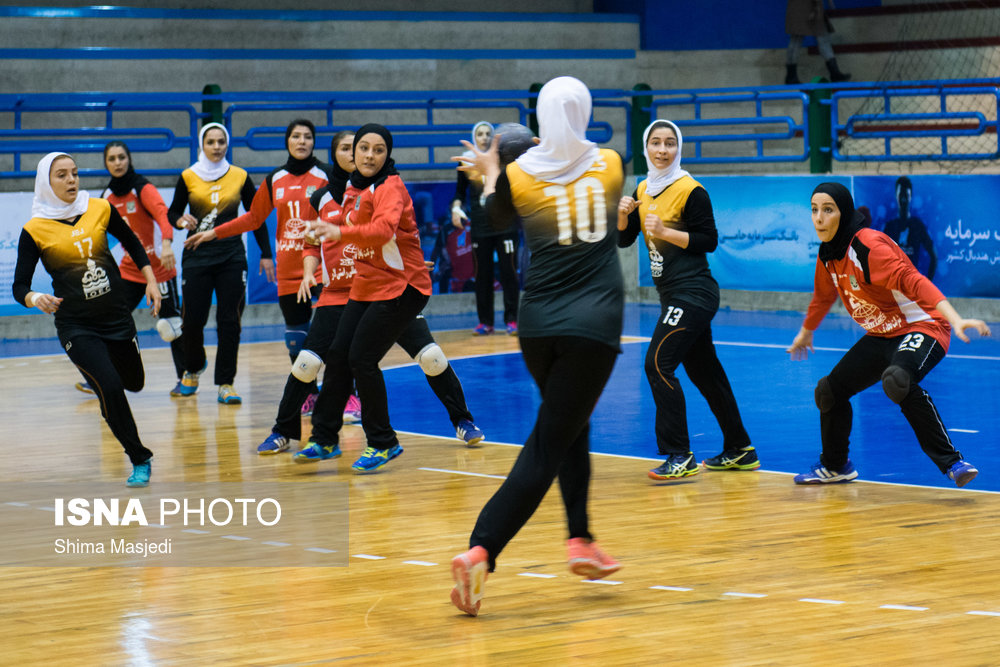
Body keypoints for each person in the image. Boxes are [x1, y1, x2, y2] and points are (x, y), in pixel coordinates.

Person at [448, 76, 624, 617]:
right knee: (550, 441)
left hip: (537, 326)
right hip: (592, 327)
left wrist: (492, 171)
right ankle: (482, 549)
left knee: (569, 424)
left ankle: (581, 538)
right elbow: (584, 178)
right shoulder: (611, 164)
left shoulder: (520, 176)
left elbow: (496, 217)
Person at [255, 131, 485, 457]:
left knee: (430, 357)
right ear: (336, 155)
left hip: (386, 289)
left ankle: (462, 420)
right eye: (351, 148)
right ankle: (288, 432)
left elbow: (390, 233)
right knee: (308, 363)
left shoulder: (381, 188)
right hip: (340, 293)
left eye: (371, 149)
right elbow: (311, 243)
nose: (359, 154)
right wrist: (308, 271)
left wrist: (410, 261)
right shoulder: (323, 197)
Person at [787, 182, 990, 486]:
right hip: (882, 334)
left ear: (844, 213)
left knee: (897, 380)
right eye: (814, 210)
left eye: (828, 210)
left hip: (924, 324)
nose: (819, 218)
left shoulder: (868, 248)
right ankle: (835, 466)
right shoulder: (828, 254)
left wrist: (955, 318)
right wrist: (806, 332)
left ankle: (953, 462)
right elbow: (823, 296)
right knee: (828, 390)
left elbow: (914, 281)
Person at [617, 120, 757, 482]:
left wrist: (665, 232)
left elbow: (709, 240)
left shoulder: (691, 190)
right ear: (646, 147)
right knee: (706, 373)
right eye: (656, 143)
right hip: (673, 295)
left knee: (657, 364)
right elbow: (624, 240)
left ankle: (680, 454)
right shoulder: (643, 188)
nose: (663, 150)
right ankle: (741, 448)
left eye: (670, 143)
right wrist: (622, 215)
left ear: (678, 148)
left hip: (694, 293)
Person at [12, 152, 161, 487]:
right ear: (46, 183)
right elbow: (19, 286)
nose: (71, 180)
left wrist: (150, 281)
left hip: (116, 317)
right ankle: (140, 457)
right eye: (62, 175)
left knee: (133, 382)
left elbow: (132, 242)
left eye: (75, 173)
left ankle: (106, 386)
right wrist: (35, 298)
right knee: (109, 388)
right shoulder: (34, 230)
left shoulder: (100, 208)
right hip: (76, 326)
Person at [305, 124, 435, 473]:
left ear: (387, 155)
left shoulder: (390, 186)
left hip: (404, 286)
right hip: (368, 283)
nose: (369, 155)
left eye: (379, 150)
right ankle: (324, 438)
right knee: (337, 355)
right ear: (353, 152)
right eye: (363, 148)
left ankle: (383, 442)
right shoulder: (352, 187)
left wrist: (339, 231)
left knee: (362, 358)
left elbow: (382, 230)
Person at [185, 119, 334, 413]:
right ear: (287, 141)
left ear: (314, 142)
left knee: (333, 334)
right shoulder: (275, 178)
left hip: (322, 266)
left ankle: (345, 393)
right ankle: (309, 393)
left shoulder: (326, 175)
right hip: (289, 270)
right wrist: (215, 232)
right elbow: (254, 218)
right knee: (296, 339)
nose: (302, 141)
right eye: (296, 136)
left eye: (307, 137)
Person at [168, 122, 275, 404]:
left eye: (221, 142)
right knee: (192, 321)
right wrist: (179, 221)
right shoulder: (188, 176)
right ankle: (193, 367)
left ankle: (226, 383)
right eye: (210, 142)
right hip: (196, 256)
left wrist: (266, 253)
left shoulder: (240, 176)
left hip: (231, 257)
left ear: (227, 144)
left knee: (229, 322)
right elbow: (173, 212)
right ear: (202, 145)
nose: (216, 147)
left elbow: (257, 216)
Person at [98, 140, 185, 395]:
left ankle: (186, 378)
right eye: (112, 159)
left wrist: (167, 244)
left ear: (129, 159)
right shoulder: (107, 196)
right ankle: (106, 376)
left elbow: (163, 215)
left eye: (121, 157)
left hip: (159, 269)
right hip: (130, 270)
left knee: (172, 326)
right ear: (106, 163)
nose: (117, 163)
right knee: (112, 320)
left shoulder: (142, 188)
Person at [452, 121, 520, 336]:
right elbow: (459, 193)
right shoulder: (466, 162)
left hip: (505, 225)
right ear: (474, 137)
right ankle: (485, 323)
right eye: (480, 134)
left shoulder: (503, 159)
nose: (484, 137)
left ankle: (512, 320)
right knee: (482, 275)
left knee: (509, 273)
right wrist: (456, 209)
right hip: (480, 227)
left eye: (488, 133)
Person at [881, 176, 937, 280]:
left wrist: (926, 284)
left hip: (912, 284)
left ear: (910, 197)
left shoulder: (918, 225)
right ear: (896, 195)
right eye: (900, 195)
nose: (903, 199)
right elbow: (879, 259)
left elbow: (933, 256)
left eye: (906, 195)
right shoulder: (889, 227)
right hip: (893, 285)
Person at [785, 0, 850, 84]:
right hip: (802, 7)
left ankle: (835, 73)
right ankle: (791, 76)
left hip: (814, 8)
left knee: (823, 39)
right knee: (796, 40)